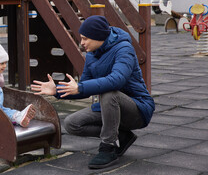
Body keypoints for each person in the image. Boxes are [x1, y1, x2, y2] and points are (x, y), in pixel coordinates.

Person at [31, 15, 155, 169]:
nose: (82, 43)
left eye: (85, 38)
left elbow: (117, 80)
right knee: (72, 124)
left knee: (109, 93)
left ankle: (108, 146)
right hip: (111, 107)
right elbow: (83, 88)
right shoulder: (91, 55)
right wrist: (57, 90)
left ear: (99, 37)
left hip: (138, 109)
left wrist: (81, 87)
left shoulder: (124, 49)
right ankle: (122, 136)